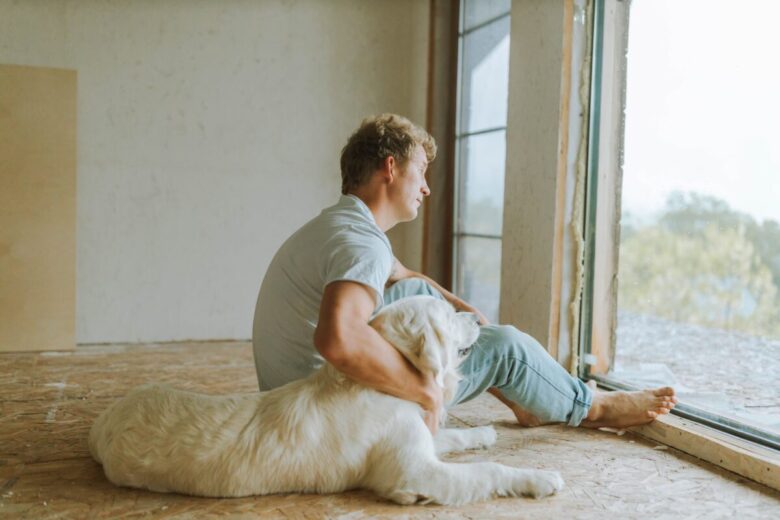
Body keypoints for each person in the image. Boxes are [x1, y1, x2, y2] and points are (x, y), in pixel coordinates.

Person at [252, 113, 676, 434]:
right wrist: (424, 391)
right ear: (390, 168)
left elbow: (403, 277)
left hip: (293, 396)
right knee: (508, 347)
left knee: (417, 291)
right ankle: (594, 406)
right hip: (327, 414)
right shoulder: (361, 245)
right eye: (420, 172)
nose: (426, 188)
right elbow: (338, 338)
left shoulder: (342, 226)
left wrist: (461, 311)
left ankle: (528, 397)